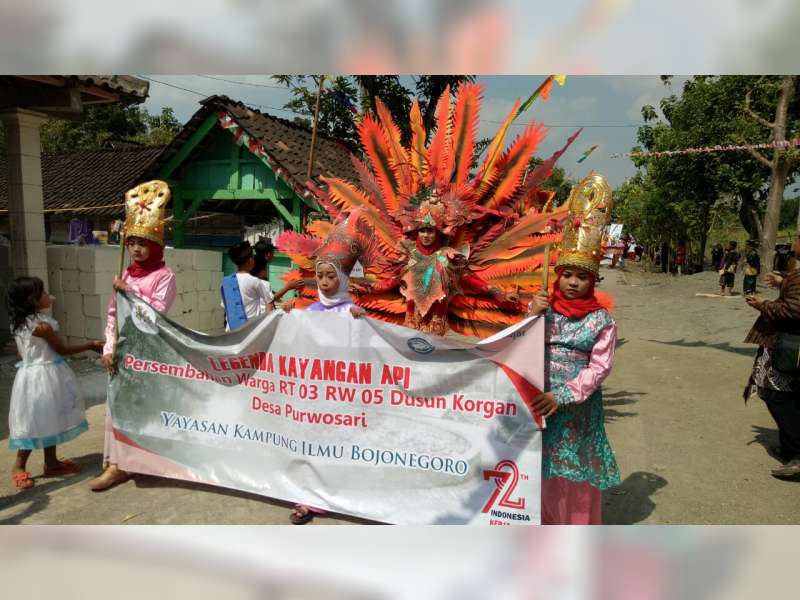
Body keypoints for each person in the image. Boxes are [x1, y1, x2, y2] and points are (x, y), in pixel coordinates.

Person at [527, 175, 620, 524]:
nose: (572, 283)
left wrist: (563, 395)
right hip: (539, 400)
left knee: (573, 471)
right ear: (558, 275)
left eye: (581, 278)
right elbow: (519, 346)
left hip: (576, 408)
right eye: (567, 275)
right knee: (540, 466)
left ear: (592, 282)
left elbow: (598, 369)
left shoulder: (601, 321)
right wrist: (529, 316)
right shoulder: (542, 307)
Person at [90, 180, 177, 492]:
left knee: (142, 407)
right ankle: (115, 464)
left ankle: (138, 460)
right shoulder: (124, 274)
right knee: (117, 406)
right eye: (131, 242)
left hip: (148, 352)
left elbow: (155, 315)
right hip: (123, 352)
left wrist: (131, 293)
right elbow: (113, 315)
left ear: (155, 245)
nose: (136, 249)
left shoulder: (164, 276)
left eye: (142, 243)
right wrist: (109, 347)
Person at [281, 221, 366, 523]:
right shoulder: (311, 312)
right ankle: (307, 498)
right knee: (309, 443)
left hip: (340, 395)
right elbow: (293, 343)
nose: (325, 281)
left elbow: (362, 352)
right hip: (312, 393)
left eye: (332, 276)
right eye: (320, 276)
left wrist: (361, 322)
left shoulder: (351, 312)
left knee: (335, 446)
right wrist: (289, 316)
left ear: (343, 279)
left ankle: (332, 495)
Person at [6, 276, 103, 491]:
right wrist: (90, 345)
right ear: (32, 299)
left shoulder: (22, 322)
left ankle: (51, 462)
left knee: (49, 416)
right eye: (42, 293)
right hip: (43, 376)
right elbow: (63, 350)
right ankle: (18, 466)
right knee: (35, 420)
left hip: (35, 375)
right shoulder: (42, 326)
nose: (49, 296)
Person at [743, 233, 800, 480]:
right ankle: (790, 447)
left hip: (789, 345)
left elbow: (793, 310)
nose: (794, 243)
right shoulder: (796, 274)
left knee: (776, 394)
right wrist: (784, 281)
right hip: (790, 344)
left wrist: (762, 304)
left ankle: (797, 452)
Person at [221, 240, 276, 330]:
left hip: (231, 332)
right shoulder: (255, 281)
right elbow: (269, 304)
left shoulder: (226, 282)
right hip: (249, 333)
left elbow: (226, 307)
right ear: (251, 260)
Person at [249, 238, 303, 312]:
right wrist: (288, 287)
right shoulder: (260, 267)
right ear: (268, 254)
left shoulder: (256, 264)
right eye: (273, 253)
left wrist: (273, 292)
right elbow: (270, 299)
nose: (274, 256)